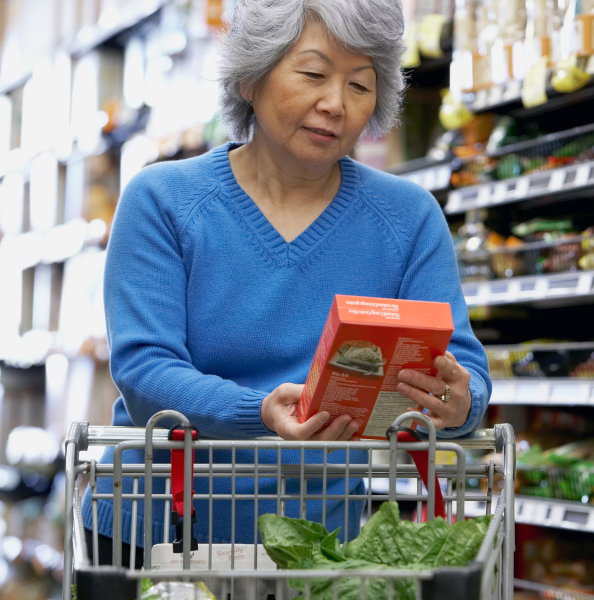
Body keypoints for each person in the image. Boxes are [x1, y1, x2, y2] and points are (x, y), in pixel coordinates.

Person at [82, 0, 491, 564]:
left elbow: (463, 367)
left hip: (319, 543)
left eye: (360, 84)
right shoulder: (163, 201)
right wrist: (260, 413)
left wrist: (457, 401)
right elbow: (144, 368)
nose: (335, 105)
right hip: (155, 533)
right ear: (251, 76)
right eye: (314, 74)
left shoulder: (408, 217)